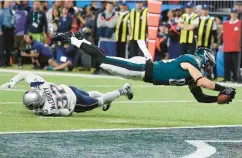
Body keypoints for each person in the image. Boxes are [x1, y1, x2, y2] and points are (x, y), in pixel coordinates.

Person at [52, 32, 236, 104]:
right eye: (209, 63)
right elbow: (203, 82)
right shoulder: (191, 62)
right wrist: (223, 88)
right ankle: (73, 39)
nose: (209, 67)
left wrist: (218, 99)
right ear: (204, 59)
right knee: (103, 61)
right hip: (141, 68)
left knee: (106, 61)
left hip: (143, 72)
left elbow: (200, 97)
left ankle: (80, 39)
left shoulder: (192, 75)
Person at [0, 72, 133, 116]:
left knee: (101, 101)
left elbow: (66, 112)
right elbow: (25, 75)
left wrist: (69, 110)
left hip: (75, 102)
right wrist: (12, 82)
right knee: (88, 94)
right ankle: (111, 97)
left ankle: (123, 90)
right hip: (69, 89)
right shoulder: (40, 85)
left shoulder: (47, 109)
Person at [222, 8, 241, 82]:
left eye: (235, 13)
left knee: (235, 65)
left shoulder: (240, 23)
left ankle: (236, 78)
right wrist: (220, 44)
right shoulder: (225, 23)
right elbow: (223, 34)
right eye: (232, 13)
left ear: (237, 14)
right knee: (227, 64)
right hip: (227, 47)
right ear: (230, 14)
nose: (233, 14)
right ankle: (226, 78)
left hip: (236, 47)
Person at [0, 1, 16, 67]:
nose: (9, 3)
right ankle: (2, 62)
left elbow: (13, 20)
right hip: (4, 30)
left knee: (9, 47)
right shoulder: (2, 11)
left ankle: (7, 62)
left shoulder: (12, 11)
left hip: (10, 30)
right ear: (5, 3)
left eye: (10, 2)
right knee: (3, 47)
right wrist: (0, 30)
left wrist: (14, 27)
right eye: (8, 2)